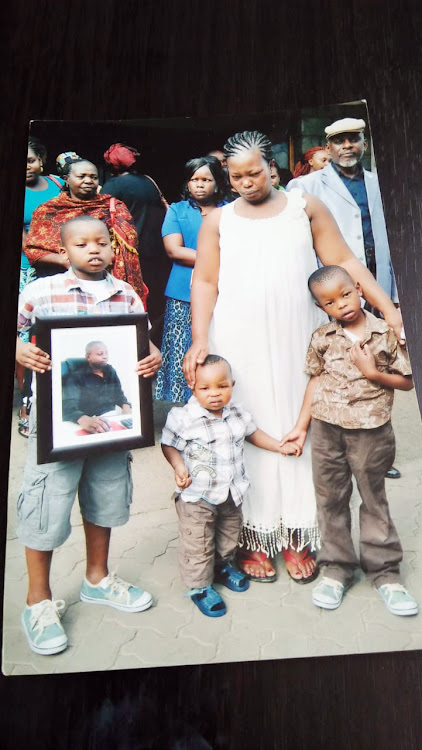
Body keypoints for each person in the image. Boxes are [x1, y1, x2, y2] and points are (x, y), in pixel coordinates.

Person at [183, 130, 404, 584]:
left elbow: (346, 261)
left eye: (255, 172)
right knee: (249, 423)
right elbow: (204, 282)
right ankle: (251, 536)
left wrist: (389, 311)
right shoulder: (218, 221)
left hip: (299, 336)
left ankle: (297, 536)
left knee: (302, 422)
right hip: (238, 338)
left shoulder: (305, 208)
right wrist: (199, 337)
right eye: (236, 175)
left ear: (273, 168)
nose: (246, 182)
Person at [15, 215, 162, 656]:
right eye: (82, 244)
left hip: (112, 427)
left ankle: (97, 578)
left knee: (106, 493)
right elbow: (18, 331)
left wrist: (152, 357)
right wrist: (19, 347)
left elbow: (143, 344)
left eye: (102, 242)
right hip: (57, 421)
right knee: (47, 501)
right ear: (65, 251)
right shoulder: (40, 292)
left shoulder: (128, 293)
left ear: (114, 248)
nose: (93, 249)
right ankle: (37, 600)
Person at [281, 266, 417, 615]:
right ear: (320, 306)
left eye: (345, 294)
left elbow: (408, 381)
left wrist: (373, 373)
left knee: (373, 499)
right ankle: (337, 568)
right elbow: (314, 380)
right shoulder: (323, 337)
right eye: (329, 302)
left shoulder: (385, 332)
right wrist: (301, 425)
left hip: (371, 431)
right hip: (326, 428)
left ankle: (385, 573)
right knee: (330, 499)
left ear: (358, 288)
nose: (340, 305)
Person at [287, 117, 401, 479]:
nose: (347, 147)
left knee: (378, 368)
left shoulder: (381, 183)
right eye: (339, 142)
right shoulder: (304, 186)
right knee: (335, 367)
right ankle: (337, 453)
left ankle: (379, 457)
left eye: (354, 140)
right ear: (328, 148)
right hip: (334, 291)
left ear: (364, 143)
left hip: (374, 282)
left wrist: (392, 296)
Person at [161, 354, 301, 617]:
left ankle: (222, 566)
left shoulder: (237, 412)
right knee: (198, 542)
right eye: (205, 388)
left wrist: (279, 446)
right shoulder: (183, 417)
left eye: (221, 386)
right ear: (192, 386)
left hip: (231, 491)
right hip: (197, 495)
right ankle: (199, 587)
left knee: (229, 534)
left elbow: (253, 434)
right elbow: (169, 445)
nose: (214, 394)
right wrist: (179, 467)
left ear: (232, 385)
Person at [24, 158, 147, 304]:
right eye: (81, 176)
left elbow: (129, 245)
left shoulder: (114, 207)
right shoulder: (47, 210)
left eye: (93, 177)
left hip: (106, 285)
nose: (88, 181)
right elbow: (33, 250)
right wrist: (65, 261)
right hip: (61, 288)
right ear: (66, 180)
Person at [155, 156, 227, 404]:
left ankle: (215, 402)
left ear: (217, 183)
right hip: (182, 294)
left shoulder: (230, 209)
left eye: (206, 179)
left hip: (223, 291)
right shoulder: (177, 210)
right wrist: (216, 259)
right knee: (182, 351)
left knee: (218, 346)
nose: (199, 185)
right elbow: (175, 250)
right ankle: (184, 407)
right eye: (194, 179)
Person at [18, 138, 65, 437]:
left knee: (49, 333)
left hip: (56, 267)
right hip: (25, 269)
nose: (27, 166)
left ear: (42, 161)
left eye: (31, 160)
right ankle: (26, 404)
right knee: (25, 336)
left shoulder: (57, 183)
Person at [102, 143, 170, 345]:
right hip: (156, 249)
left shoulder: (112, 186)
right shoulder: (149, 181)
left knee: (134, 299)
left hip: (131, 253)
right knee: (156, 298)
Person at [62, 341, 132, 429]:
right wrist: (83, 419)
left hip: (111, 418)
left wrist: (125, 406)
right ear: (88, 357)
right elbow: (68, 405)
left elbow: (118, 394)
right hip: (88, 421)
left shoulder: (110, 371)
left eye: (106, 353)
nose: (105, 356)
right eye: (100, 354)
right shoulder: (76, 376)